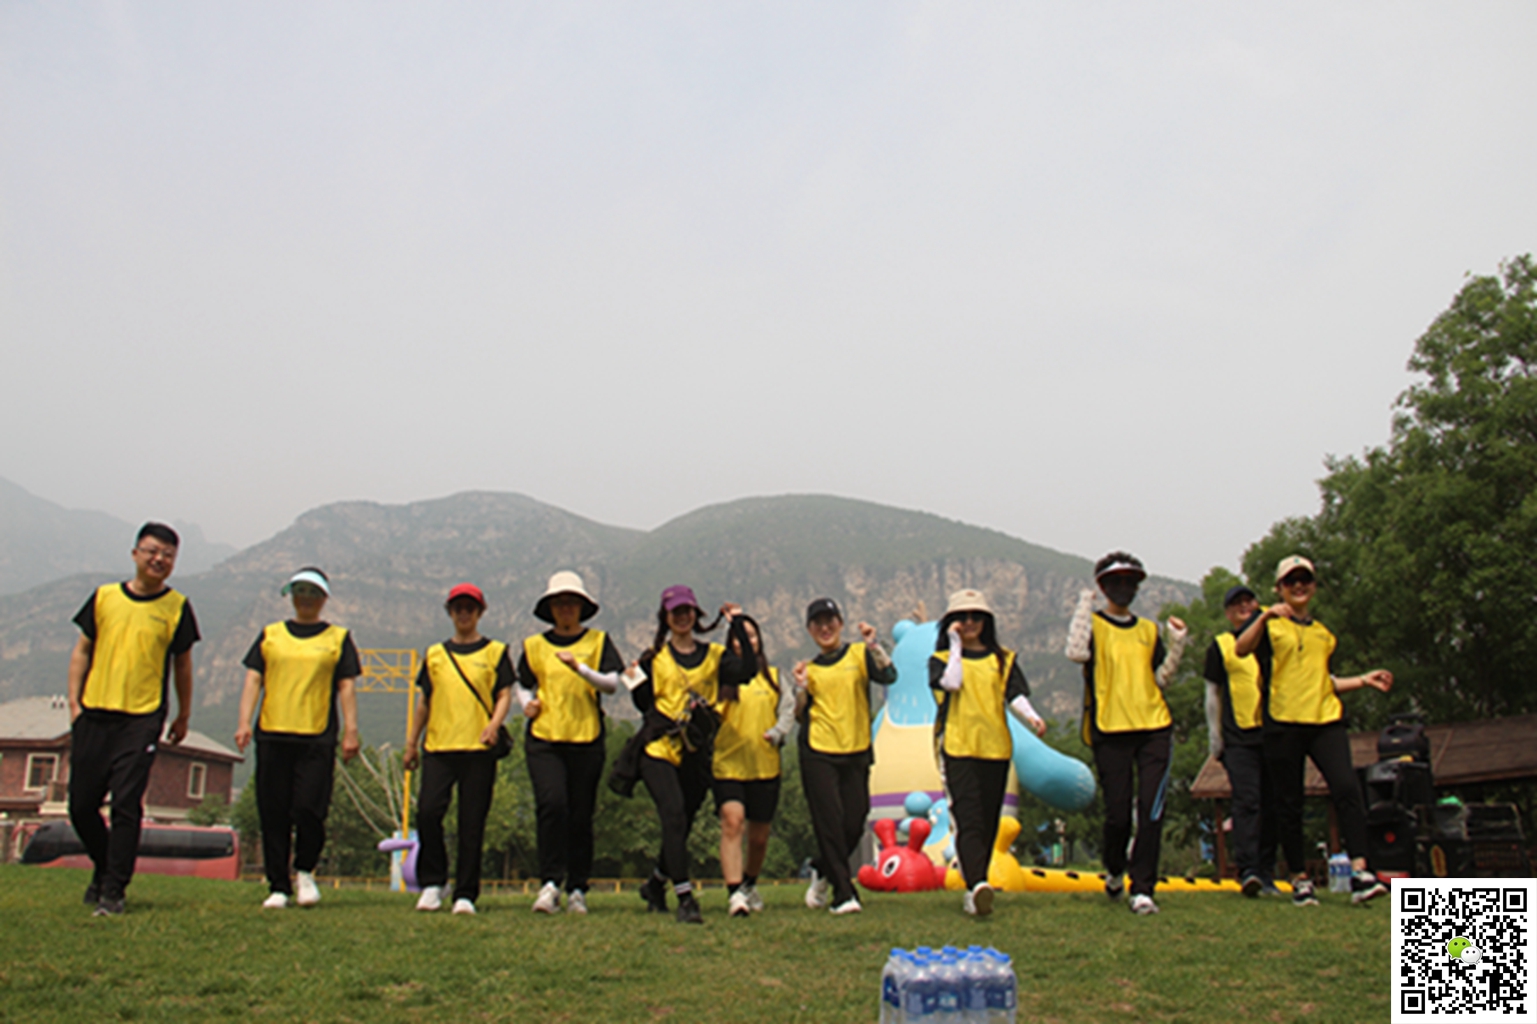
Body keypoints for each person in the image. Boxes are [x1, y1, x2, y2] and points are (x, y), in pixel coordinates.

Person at [1232, 555, 1393, 906]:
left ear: (1314, 586)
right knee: (1290, 802)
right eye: (1291, 581)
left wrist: (1363, 680)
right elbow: (1241, 648)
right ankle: (1299, 877)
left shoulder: (1323, 634)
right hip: (1283, 722)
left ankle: (1361, 872)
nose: (1299, 586)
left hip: (1324, 720)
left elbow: (1322, 680)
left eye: (1305, 580)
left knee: (1347, 788)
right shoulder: (1269, 626)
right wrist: (1265, 616)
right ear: (1279, 588)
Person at [66, 522, 201, 916]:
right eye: (152, 551)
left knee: (126, 803)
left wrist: (183, 714)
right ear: (135, 554)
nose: (159, 559)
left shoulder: (177, 607)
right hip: (94, 713)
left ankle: (113, 890)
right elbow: (82, 651)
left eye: (168, 555)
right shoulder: (104, 597)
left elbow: (183, 666)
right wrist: (75, 705)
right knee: (81, 806)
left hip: (142, 717)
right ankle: (104, 865)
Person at [1066, 552, 1188, 917]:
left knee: (1151, 810)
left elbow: (1161, 679)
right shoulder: (1094, 624)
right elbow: (1075, 653)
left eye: (1130, 582)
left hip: (1154, 727)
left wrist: (1177, 644)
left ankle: (1143, 889)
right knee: (1118, 815)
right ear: (1103, 586)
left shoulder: (1148, 630)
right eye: (1115, 582)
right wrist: (1084, 605)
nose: (1123, 588)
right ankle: (1115, 868)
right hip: (1110, 728)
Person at [234, 567, 362, 909]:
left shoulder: (338, 638)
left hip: (316, 736)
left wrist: (351, 730)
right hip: (273, 733)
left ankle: (305, 870)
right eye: (300, 591)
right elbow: (254, 679)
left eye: (313, 592)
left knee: (310, 808)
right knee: (273, 811)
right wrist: (244, 721)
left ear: (324, 598)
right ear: (291, 595)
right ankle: (278, 885)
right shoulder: (271, 635)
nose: (306, 598)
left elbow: (346, 685)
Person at [930, 589, 1047, 917]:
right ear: (951, 622)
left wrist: (1032, 717)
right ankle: (976, 885)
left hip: (995, 749)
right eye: (962, 617)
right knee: (967, 818)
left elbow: (1015, 694)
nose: (969, 622)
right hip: (958, 748)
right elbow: (952, 683)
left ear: (987, 621)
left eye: (976, 616)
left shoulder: (1003, 659)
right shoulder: (941, 660)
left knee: (988, 820)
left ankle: (977, 883)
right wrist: (955, 644)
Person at [515, 571, 624, 916]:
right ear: (550, 608)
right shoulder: (534, 645)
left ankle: (578, 887)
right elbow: (523, 683)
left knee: (580, 814)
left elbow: (612, 684)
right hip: (544, 738)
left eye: (572, 602)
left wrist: (580, 668)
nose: (566, 608)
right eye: (559, 603)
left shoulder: (598, 641)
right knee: (551, 805)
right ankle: (550, 883)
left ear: (581, 607)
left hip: (586, 737)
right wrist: (527, 703)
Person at [630, 585, 740, 924]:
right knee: (674, 816)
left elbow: (746, 670)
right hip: (658, 749)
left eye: (687, 610)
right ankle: (685, 898)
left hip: (695, 753)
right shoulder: (653, 659)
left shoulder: (714, 655)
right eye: (675, 612)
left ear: (696, 613)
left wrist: (737, 623)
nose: (682, 617)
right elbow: (643, 704)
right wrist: (636, 679)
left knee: (683, 822)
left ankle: (655, 884)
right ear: (666, 617)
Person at [402, 583, 514, 916]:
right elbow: (424, 701)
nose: (464, 613)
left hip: (478, 747)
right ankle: (433, 882)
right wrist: (411, 743)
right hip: (438, 746)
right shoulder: (435, 654)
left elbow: (504, 693)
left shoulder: (495, 651)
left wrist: (494, 724)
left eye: (470, 608)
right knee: (428, 812)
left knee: (471, 822)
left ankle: (466, 893)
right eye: (457, 608)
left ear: (480, 612)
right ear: (450, 612)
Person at [793, 597, 897, 916]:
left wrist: (874, 645)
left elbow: (889, 676)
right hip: (818, 752)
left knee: (855, 820)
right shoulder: (809, 669)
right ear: (810, 630)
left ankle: (822, 868)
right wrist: (801, 688)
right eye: (818, 624)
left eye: (830, 621)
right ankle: (843, 893)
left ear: (840, 623)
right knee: (829, 824)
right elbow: (800, 715)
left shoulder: (859, 654)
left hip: (856, 749)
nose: (825, 628)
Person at [712, 612, 795, 917]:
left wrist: (778, 732)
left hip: (764, 765)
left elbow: (787, 709)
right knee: (733, 822)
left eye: (750, 635)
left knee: (759, 838)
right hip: (727, 765)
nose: (745, 642)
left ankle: (749, 883)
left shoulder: (773, 676)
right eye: (738, 637)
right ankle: (735, 893)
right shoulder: (721, 678)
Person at [1202, 583, 1278, 898]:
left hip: (1274, 731)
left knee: (1273, 803)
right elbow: (1212, 693)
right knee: (1247, 802)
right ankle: (1249, 870)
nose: (1244, 607)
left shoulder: (1275, 637)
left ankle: (1268, 870)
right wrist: (1215, 736)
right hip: (1239, 737)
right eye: (1237, 604)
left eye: (1249, 601)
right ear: (1228, 613)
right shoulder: (1221, 645)